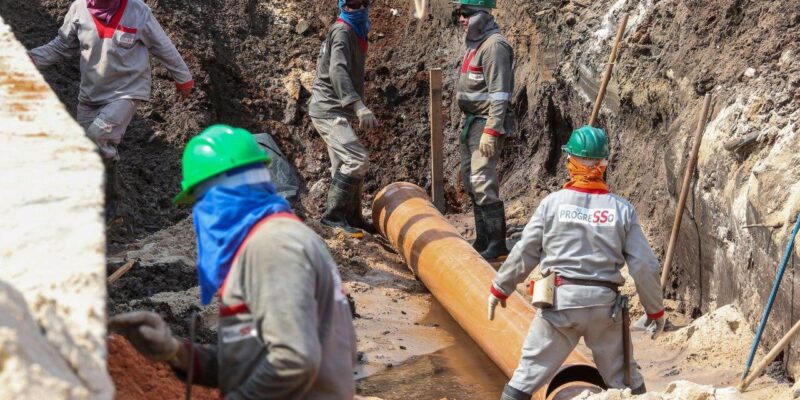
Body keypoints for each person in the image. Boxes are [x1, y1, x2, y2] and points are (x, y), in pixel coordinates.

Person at [109, 125, 358, 399]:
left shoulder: (272, 246)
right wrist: (176, 352)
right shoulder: (277, 238)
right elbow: (250, 363)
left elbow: (293, 360)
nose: (201, 213)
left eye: (201, 201)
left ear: (219, 194)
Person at [487, 126, 665, 399]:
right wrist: (655, 311)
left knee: (524, 380)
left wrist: (500, 288)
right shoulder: (622, 210)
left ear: (569, 161)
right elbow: (645, 266)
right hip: (605, 309)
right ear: (604, 164)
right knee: (626, 382)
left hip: (560, 305)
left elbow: (525, 251)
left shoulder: (552, 204)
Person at [29, 0, 193, 214]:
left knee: (97, 135)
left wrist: (183, 78)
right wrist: (30, 59)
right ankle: (100, 206)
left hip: (126, 92)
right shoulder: (79, 9)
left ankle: (112, 204)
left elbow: (162, 46)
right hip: (90, 95)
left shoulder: (138, 11)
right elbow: (61, 45)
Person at [308, 0, 378, 237]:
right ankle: (333, 218)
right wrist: (358, 106)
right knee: (356, 159)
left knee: (342, 164)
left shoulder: (356, 29)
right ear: (342, 5)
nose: (356, 10)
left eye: (360, 4)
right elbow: (337, 70)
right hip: (329, 109)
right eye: (350, 5)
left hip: (335, 108)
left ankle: (353, 218)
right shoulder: (343, 31)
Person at [455, 0, 516, 261]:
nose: (461, 18)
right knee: (471, 180)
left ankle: (497, 243)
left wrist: (492, 130)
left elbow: (500, 94)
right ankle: (483, 239)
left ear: (483, 14)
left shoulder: (494, 47)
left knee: (482, 180)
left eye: (467, 13)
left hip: (485, 122)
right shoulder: (475, 44)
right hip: (471, 122)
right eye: (459, 13)